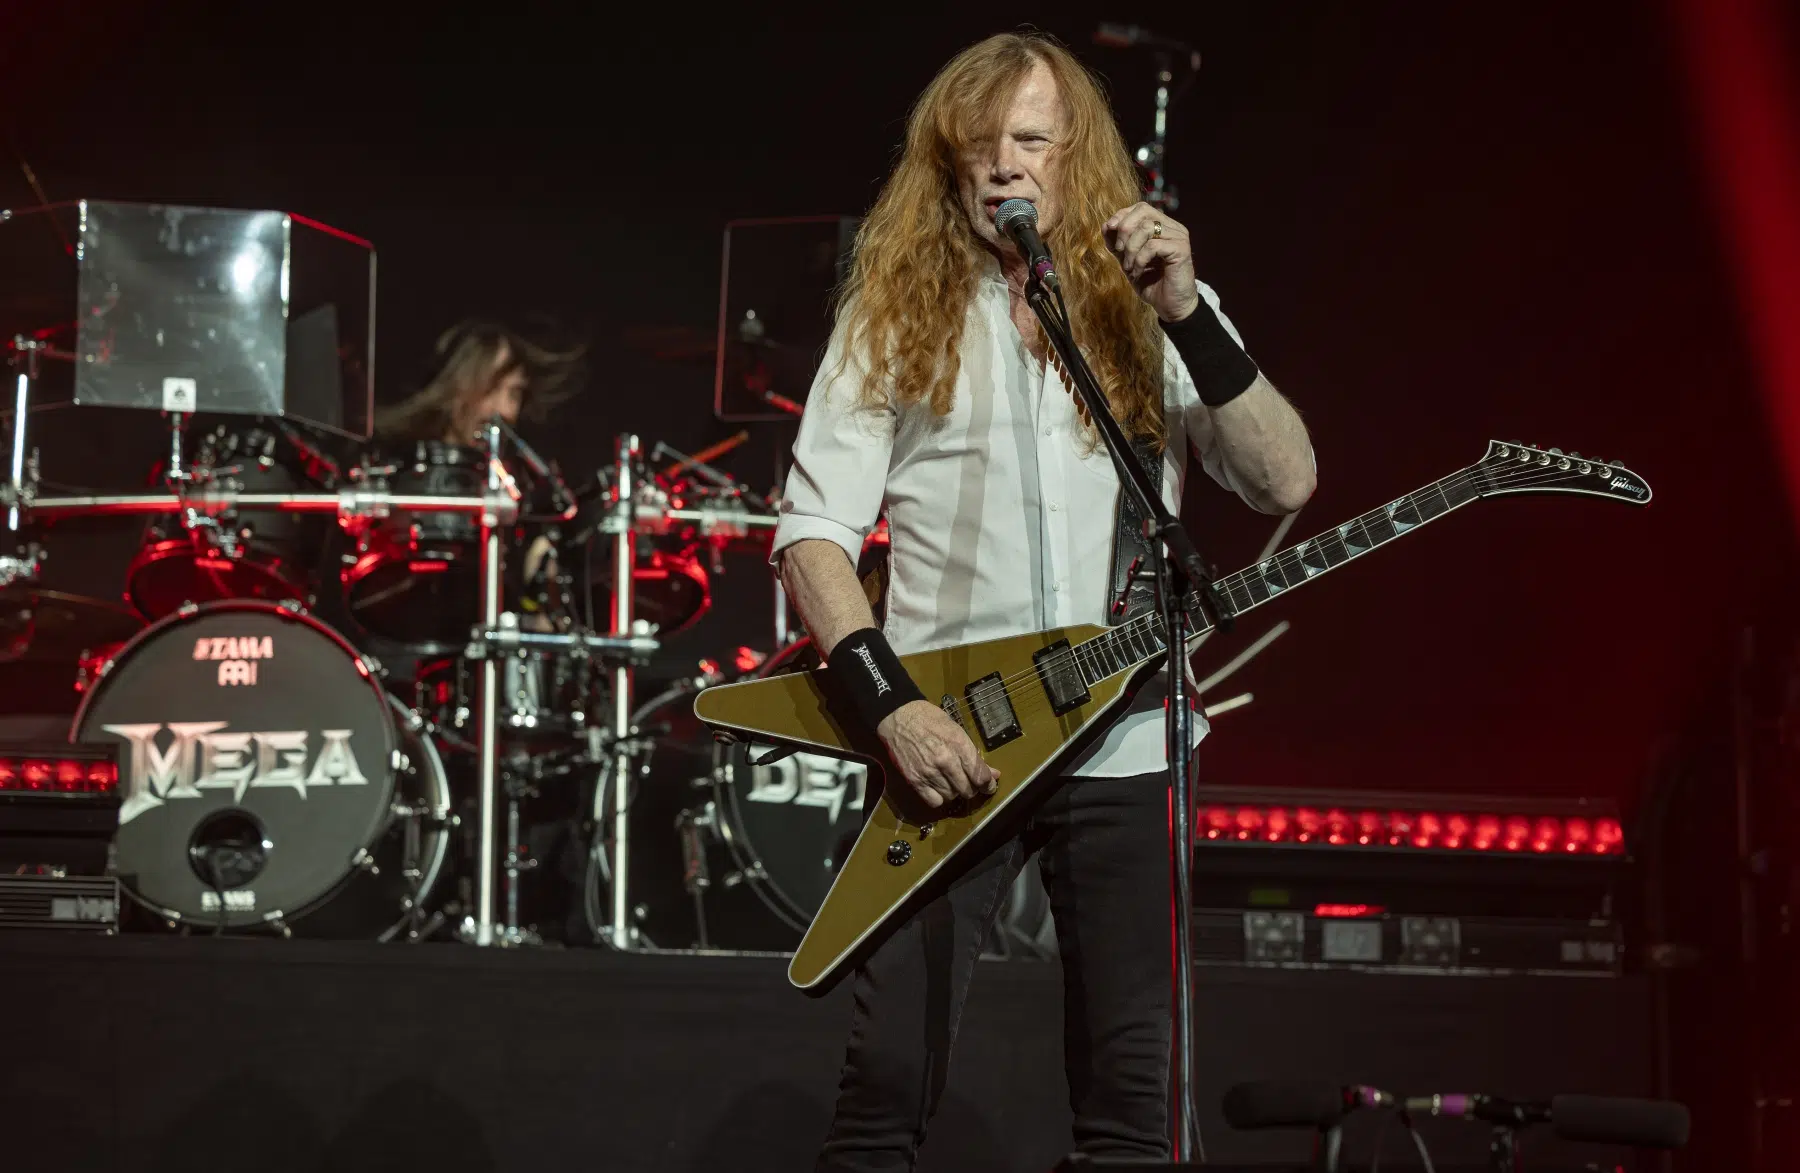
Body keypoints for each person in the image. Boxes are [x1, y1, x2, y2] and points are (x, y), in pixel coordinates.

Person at [771, 33, 1315, 1168]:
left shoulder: (1155, 309)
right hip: (951, 738)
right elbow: (814, 536)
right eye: (978, 146)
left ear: (1079, 157)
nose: (1003, 166)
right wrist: (891, 709)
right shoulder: (893, 313)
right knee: (885, 1089)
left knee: (1133, 1102)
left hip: (1129, 738)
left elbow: (1284, 482)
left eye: (1030, 139)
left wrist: (1188, 314)